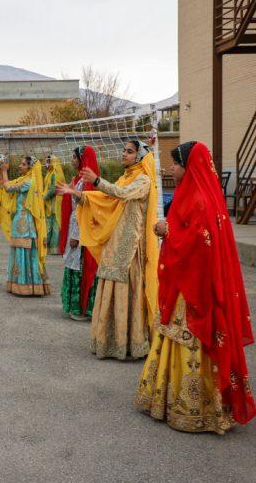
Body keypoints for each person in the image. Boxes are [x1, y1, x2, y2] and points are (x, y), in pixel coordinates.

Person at [136, 141, 256, 434]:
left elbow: (198, 246)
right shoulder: (193, 194)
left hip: (192, 290)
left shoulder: (198, 198)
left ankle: (195, 410)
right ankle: (176, 403)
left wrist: (168, 231)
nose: (171, 168)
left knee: (188, 341)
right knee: (175, 339)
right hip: (186, 283)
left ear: (188, 166)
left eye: (176, 164)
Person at [58, 139, 158, 361]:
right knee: (110, 288)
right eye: (124, 150)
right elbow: (105, 198)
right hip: (115, 243)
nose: (124, 154)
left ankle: (130, 343)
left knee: (127, 291)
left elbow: (120, 194)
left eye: (130, 152)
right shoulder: (125, 177)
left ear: (140, 156)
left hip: (131, 247)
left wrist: (96, 180)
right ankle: (110, 341)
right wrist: (78, 194)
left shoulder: (143, 181)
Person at [0, 156, 49, 296]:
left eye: (23, 164)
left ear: (30, 168)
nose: (20, 166)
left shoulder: (29, 183)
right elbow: (3, 184)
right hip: (20, 222)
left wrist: (4, 170)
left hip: (24, 224)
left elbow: (8, 188)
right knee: (22, 253)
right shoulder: (24, 180)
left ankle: (26, 286)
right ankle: (22, 285)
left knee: (24, 253)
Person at [58, 146, 99, 320]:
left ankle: (82, 307)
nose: (72, 160)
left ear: (82, 160)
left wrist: (76, 235)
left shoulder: (86, 183)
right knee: (73, 265)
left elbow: (85, 210)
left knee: (80, 266)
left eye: (75, 157)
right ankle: (77, 306)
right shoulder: (78, 180)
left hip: (80, 230)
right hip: (75, 224)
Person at [42, 154, 65, 255]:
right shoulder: (49, 173)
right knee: (49, 225)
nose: (47, 163)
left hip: (54, 205)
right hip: (49, 204)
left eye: (49, 161)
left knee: (54, 226)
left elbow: (53, 190)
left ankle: (55, 248)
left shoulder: (55, 174)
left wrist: (43, 198)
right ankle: (48, 248)